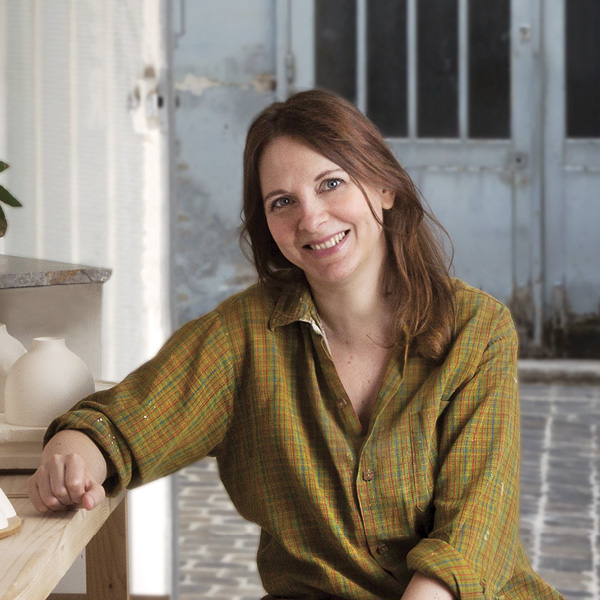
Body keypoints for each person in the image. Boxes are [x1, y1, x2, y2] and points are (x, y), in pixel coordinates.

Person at [28, 89, 563, 600]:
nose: (311, 218)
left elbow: (472, 535)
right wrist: (74, 457)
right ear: (267, 225)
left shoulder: (477, 328)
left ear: (384, 186)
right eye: (283, 201)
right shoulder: (243, 337)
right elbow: (127, 424)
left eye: (331, 184)